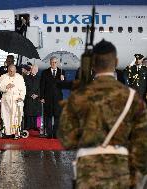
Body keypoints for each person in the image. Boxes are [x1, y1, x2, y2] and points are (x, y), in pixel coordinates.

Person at [59, 40, 147, 188]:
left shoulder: (79, 96)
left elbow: (66, 138)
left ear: (92, 64)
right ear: (116, 61)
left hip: (87, 173)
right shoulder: (132, 97)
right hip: (121, 172)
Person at [0, 64, 26, 139]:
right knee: (6, 116)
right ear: (8, 70)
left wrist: (21, 97)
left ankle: (16, 133)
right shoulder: (4, 76)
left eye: (13, 71)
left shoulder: (20, 77)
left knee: (16, 117)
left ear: (15, 70)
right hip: (6, 99)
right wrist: (6, 87)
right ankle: (7, 132)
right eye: (10, 71)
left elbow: (23, 89)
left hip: (16, 99)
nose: (11, 73)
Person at [40, 56, 65, 139]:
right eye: (52, 62)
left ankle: (56, 133)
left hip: (58, 98)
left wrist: (63, 80)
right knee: (48, 116)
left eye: (55, 62)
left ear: (57, 63)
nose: (54, 64)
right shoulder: (45, 72)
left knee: (57, 116)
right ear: (50, 63)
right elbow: (42, 86)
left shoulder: (62, 72)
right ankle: (49, 134)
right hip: (48, 98)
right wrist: (42, 97)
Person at [23, 65, 41, 130]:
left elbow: (41, 88)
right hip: (28, 98)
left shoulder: (40, 78)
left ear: (37, 70)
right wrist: (30, 94)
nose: (34, 71)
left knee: (38, 113)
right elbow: (24, 88)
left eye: (35, 69)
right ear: (31, 70)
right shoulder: (26, 78)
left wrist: (37, 95)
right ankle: (27, 126)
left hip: (37, 98)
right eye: (33, 69)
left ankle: (38, 126)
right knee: (28, 112)